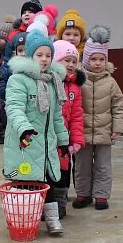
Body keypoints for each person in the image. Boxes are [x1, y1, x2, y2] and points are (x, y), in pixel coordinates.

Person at [3, 31, 71, 236]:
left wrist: (63, 141)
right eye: (39, 55)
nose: (44, 59)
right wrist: (24, 128)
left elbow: (57, 116)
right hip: (26, 142)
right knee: (25, 184)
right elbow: (14, 108)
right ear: (30, 56)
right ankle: (23, 221)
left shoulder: (53, 82)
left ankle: (51, 220)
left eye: (48, 55)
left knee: (47, 182)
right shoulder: (19, 80)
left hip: (46, 143)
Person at [73, 27, 123, 211]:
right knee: (82, 166)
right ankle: (83, 193)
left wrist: (117, 128)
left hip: (104, 132)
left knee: (103, 166)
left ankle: (101, 196)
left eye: (101, 59)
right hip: (82, 132)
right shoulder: (78, 80)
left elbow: (118, 106)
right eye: (93, 59)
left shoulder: (111, 82)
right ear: (86, 59)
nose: (97, 63)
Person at [52, 39, 85, 217]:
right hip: (50, 139)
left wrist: (77, 139)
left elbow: (77, 116)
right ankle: (46, 202)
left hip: (66, 141)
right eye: (67, 60)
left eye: (74, 61)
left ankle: (60, 203)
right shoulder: (49, 82)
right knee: (49, 171)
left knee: (64, 169)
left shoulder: (75, 87)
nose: (71, 65)